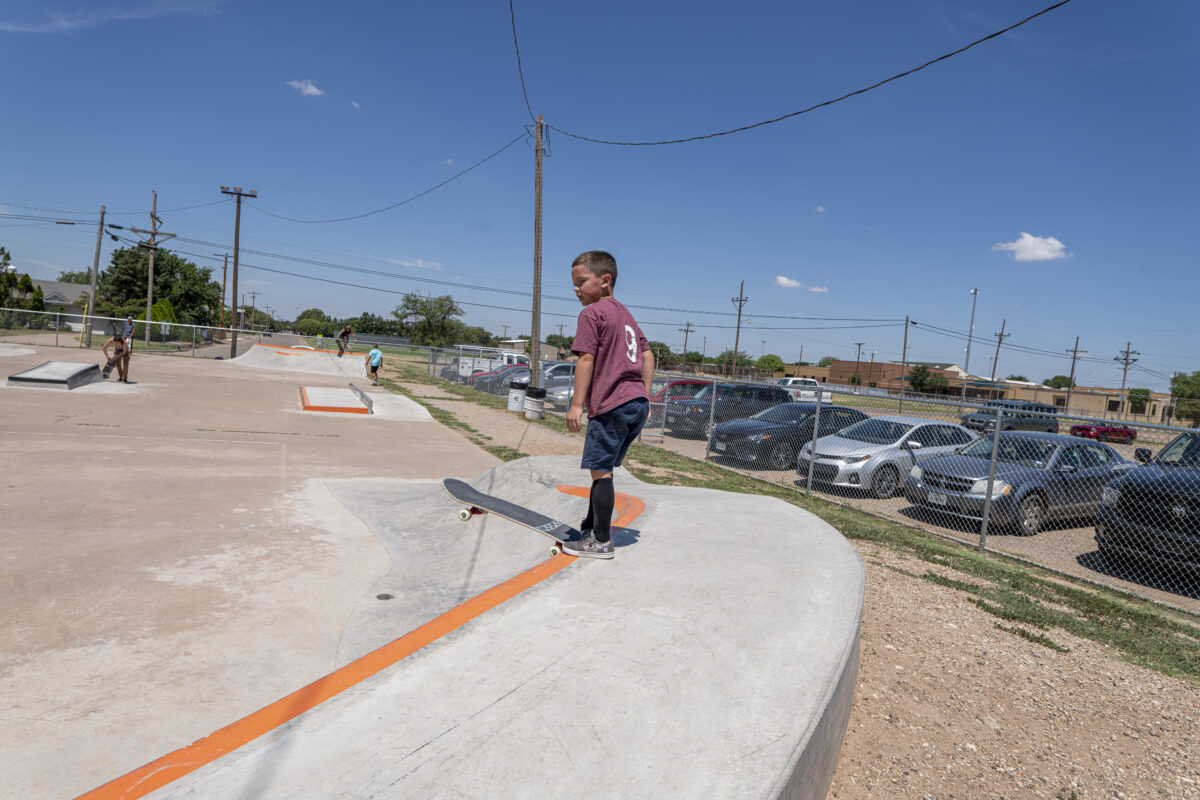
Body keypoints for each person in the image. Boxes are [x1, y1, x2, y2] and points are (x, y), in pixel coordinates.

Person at [564, 250, 654, 559]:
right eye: (574, 283)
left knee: (600, 471)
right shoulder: (626, 315)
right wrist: (645, 393)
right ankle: (591, 526)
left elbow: (585, 358)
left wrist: (577, 405)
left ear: (605, 281)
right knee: (603, 470)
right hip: (635, 404)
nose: (576, 289)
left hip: (611, 405)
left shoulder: (592, 313)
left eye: (581, 282)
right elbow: (648, 355)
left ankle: (600, 541)